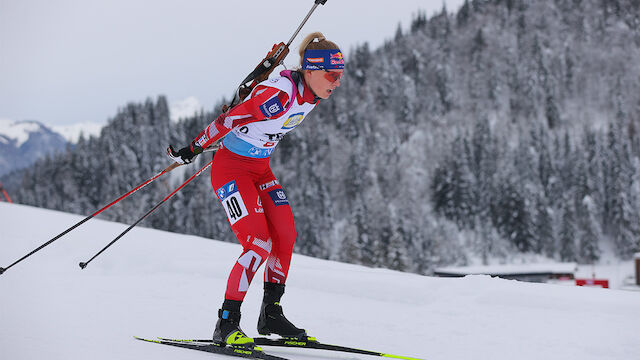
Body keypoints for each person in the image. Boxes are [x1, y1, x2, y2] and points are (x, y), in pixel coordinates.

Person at [167, 32, 344, 348]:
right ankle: (226, 322)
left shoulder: (313, 94)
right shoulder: (279, 97)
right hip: (230, 170)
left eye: (340, 75)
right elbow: (228, 120)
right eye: (332, 75)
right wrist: (193, 148)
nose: (337, 82)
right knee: (258, 243)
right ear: (313, 71)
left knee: (285, 234)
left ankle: (271, 314)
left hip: (260, 169)